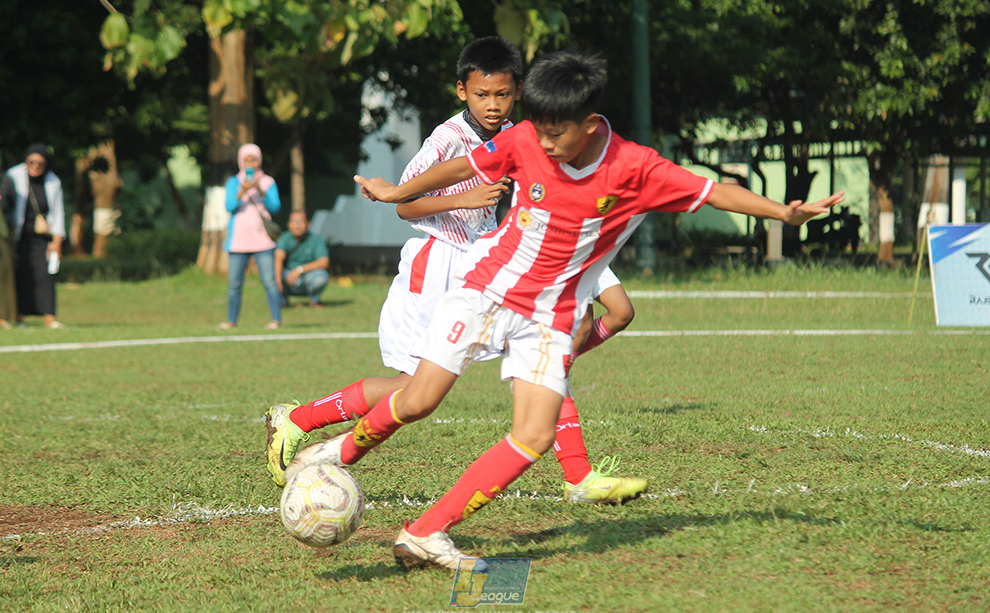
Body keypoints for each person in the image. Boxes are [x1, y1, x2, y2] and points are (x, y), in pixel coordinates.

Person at [294, 49, 843, 571]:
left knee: (533, 437)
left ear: (589, 122)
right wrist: (397, 193)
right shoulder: (526, 138)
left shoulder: (636, 168)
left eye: (556, 132)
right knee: (418, 400)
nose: (544, 143)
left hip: (550, 318)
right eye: (539, 129)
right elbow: (464, 165)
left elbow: (715, 191)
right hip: (487, 291)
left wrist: (783, 214)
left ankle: (425, 531)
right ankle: (333, 454)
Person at [265, 37, 646, 504]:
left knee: (542, 349)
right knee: (410, 390)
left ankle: (578, 475)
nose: (493, 105)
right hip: (436, 262)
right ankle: (299, 420)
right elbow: (405, 205)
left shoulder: (516, 134)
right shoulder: (446, 139)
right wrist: (463, 197)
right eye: (482, 95)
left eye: (502, 95)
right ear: (462, 91)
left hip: (484, 261)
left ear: (518, 92)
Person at [0, 143, 66, 329]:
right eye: (32, 162)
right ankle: (19, 318)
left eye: (40, 163)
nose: (36, 166)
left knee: (46, 277)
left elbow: (58, 213)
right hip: (19, 236)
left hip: (42, 238)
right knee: (20, 277)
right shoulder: (13, 176)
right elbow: (4, 204)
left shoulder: (53, 181)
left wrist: (57, 242)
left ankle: (50, 318)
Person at [219, 143, 283, 330]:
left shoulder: (268, 181)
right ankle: (232, 321)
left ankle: (276, 320)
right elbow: (229, 206)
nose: (250, 164)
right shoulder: (233, 182)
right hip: (238, 240)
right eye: (247, 160)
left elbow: (275, 207)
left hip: (263, 240)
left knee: (269, 281)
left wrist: (260, 190)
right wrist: (243, 191)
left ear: (259, 161)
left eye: (253, 160)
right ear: (241, 161)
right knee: (234, 284)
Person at [274, 209, 330, 308]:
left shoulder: (316, 239)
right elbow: (278, 258)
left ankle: (314, 300)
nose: (297, 226)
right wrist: (277, 281)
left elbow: (324, 262)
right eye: (294, 222)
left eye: (300, 222)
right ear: (288, 224)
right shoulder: (284, 238)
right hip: (287, 276)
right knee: (273, 273)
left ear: (308, 224)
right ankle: (282, 301)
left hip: (307, 277)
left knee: (321, 276)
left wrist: (299, 270)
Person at [0, 141, 18, 328]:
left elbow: (11, 205)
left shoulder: (5, 180)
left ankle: (5, 317)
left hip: (1, 233)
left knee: (2, 274)